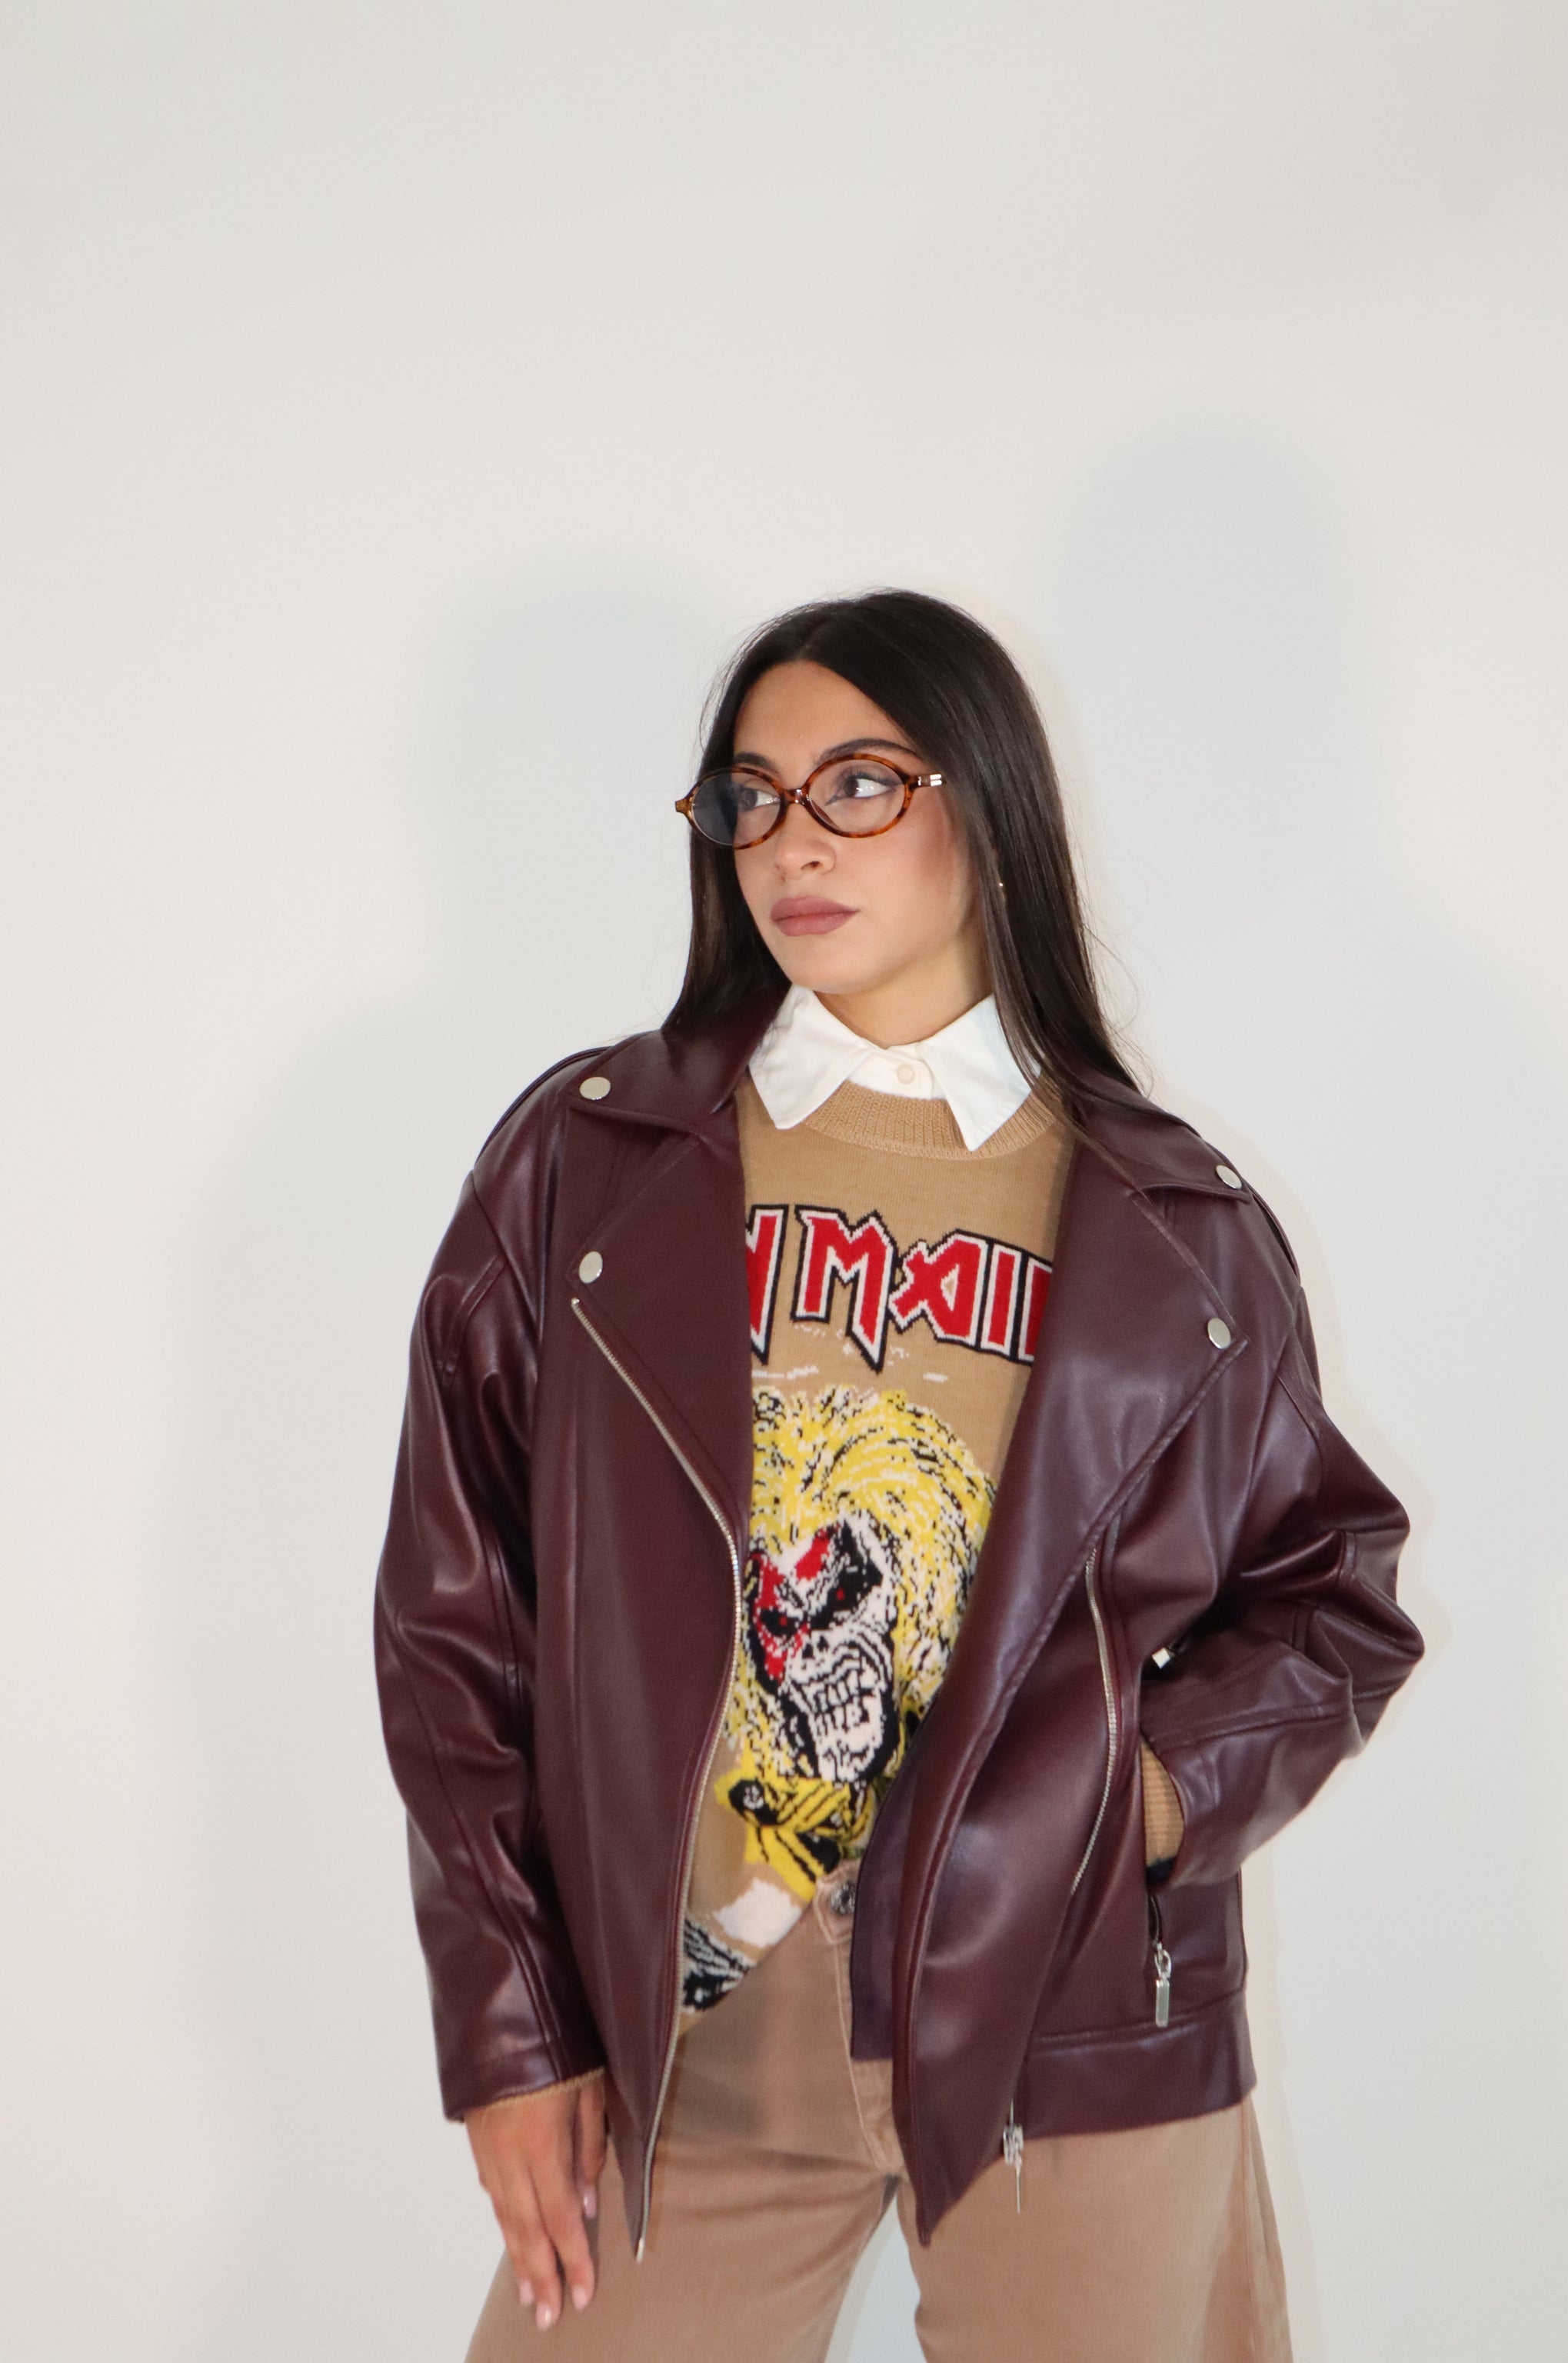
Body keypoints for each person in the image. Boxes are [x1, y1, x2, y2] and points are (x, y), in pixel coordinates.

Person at [375, 590, 1422, 2361]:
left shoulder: (1170, 1221)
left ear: (986, 806)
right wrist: (511, 2029)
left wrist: (1148, 1802)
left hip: (1072, 2051)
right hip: (688, 2051)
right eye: (751, 796)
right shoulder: (593, 1164)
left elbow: (1331, 1592)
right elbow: (452, 1619)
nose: (793, 841)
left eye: (859, 785)